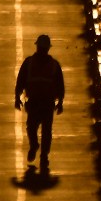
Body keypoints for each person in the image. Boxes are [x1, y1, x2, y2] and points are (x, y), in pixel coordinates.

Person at [15, 34, 65, 176]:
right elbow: (21, 80)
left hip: (43, 101)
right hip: (39, 101)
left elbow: (21, 81)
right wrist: (60, 101)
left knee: (40, 129)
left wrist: (17, 97)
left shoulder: (45, 64)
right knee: (37, 128)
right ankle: (36, 147)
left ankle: (42, 153)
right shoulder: (34, 63)